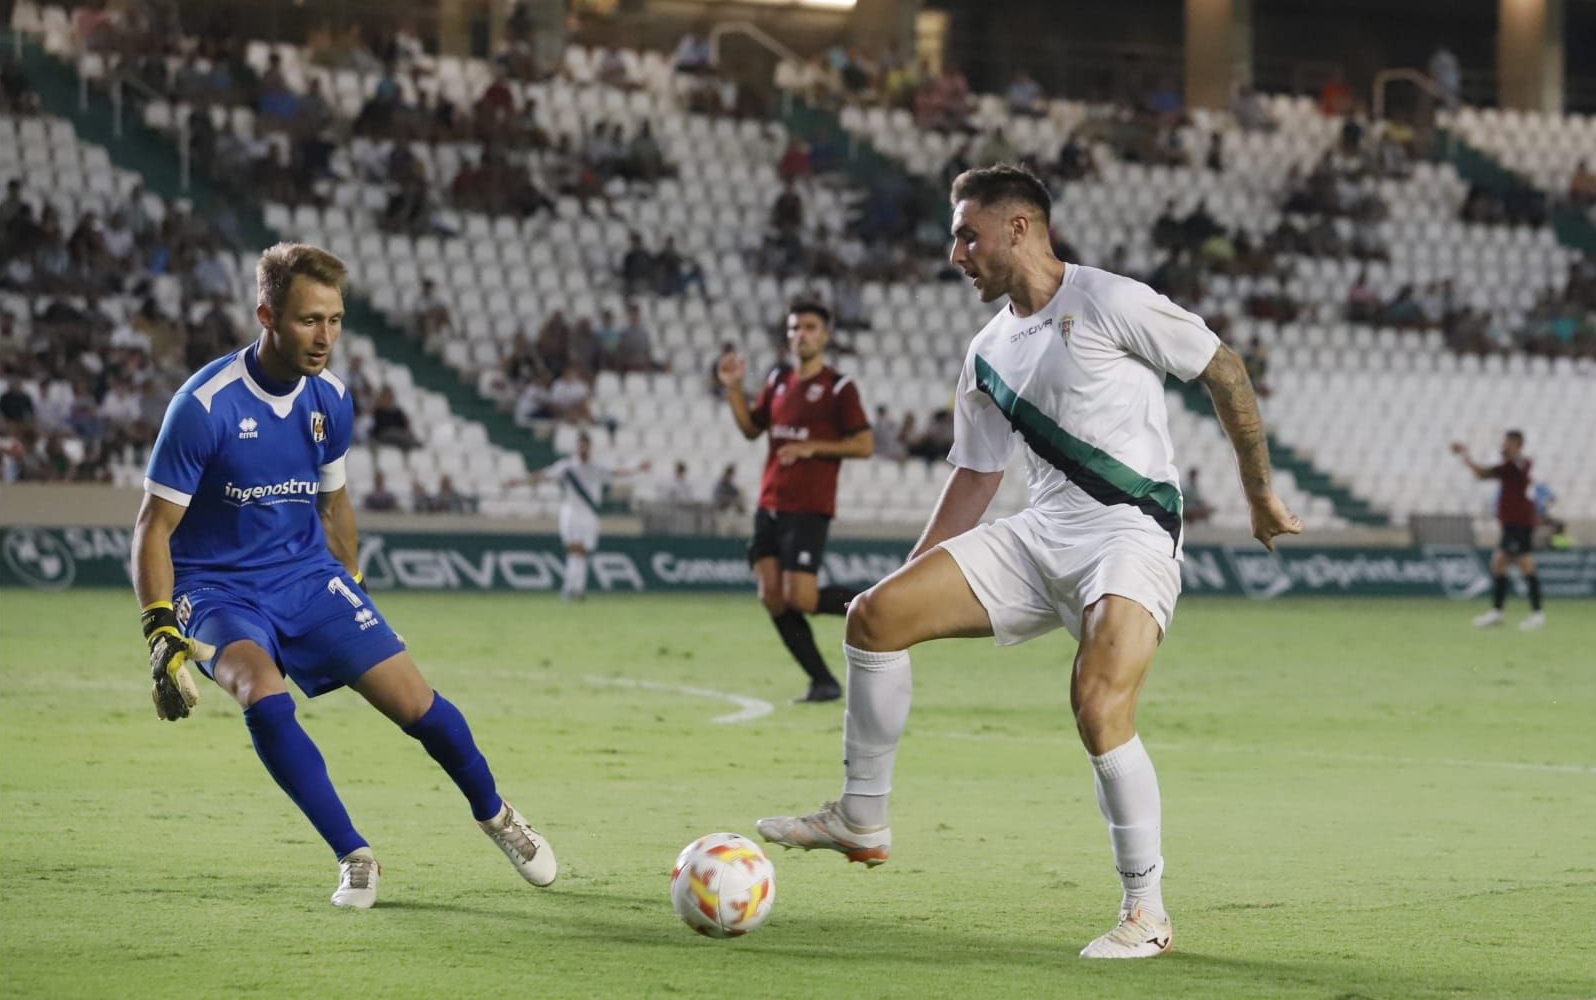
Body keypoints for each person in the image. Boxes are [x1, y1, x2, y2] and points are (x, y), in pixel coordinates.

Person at [755, 165, 1302, 959]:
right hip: (1041, 531)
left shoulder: (1111, 300)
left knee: (1096, 703)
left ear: (1018, 228)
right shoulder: (985, 352)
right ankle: (861, 817)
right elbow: (975, 476)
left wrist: (1258, 494)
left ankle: (1146, 911)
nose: (955, 253)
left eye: (966, 234)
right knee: (873, 616)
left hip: (1130, 533)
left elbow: (1224, 369)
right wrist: (910, 574)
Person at [129, 243, 556, 910]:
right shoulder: (203, 405)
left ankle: (497, 814)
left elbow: (335, 500)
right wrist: (160, 633)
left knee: (420, 708)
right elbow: (152, 527)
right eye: (308, 320)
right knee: (263, 693)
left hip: (308, 577)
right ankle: (354, 855)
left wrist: (349, 577)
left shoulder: (331, 399)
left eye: (334, 320)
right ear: (266, 315)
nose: (324, 337)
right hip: (217, 590)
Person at [717, 302, 875, 703]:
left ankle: (877, 604)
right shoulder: (778, 380)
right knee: (772, 595)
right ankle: (822, 682)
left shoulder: (840, 388)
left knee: (801, 598)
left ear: (825, 335)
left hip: (808, 506)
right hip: (769, 502)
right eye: (794, 328)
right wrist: (734, 389)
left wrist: (811, 448)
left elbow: (863, 444)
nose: (800, 334)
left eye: (809, 327)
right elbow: (753, 429)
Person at [506, 431, 646, 600]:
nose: (582, 447)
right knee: (574, 550)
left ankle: (576, 587)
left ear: (590, 447)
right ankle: (572, 588)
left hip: (589, 513)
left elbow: (616, 472)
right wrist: (520, 481)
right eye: (580, 444)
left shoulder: (596, 467)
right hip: (572, 511)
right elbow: (544, 475)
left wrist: (637, 468)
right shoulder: (567, 467)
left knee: (583, 552)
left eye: (585, 444)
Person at [1450, 431, 1544, 630]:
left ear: (1517, 444)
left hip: (1521, 523)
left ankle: (1536, 614)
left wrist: (1506, 454)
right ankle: (1497, 612)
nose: (1504, 445)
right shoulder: (1508, 467)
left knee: (1525, 563)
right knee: (1499, 563)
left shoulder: (1521, 464)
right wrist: (1465, 456)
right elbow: (1481, 474)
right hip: (1511, 523)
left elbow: (1510, 466)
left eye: (1508, 442)